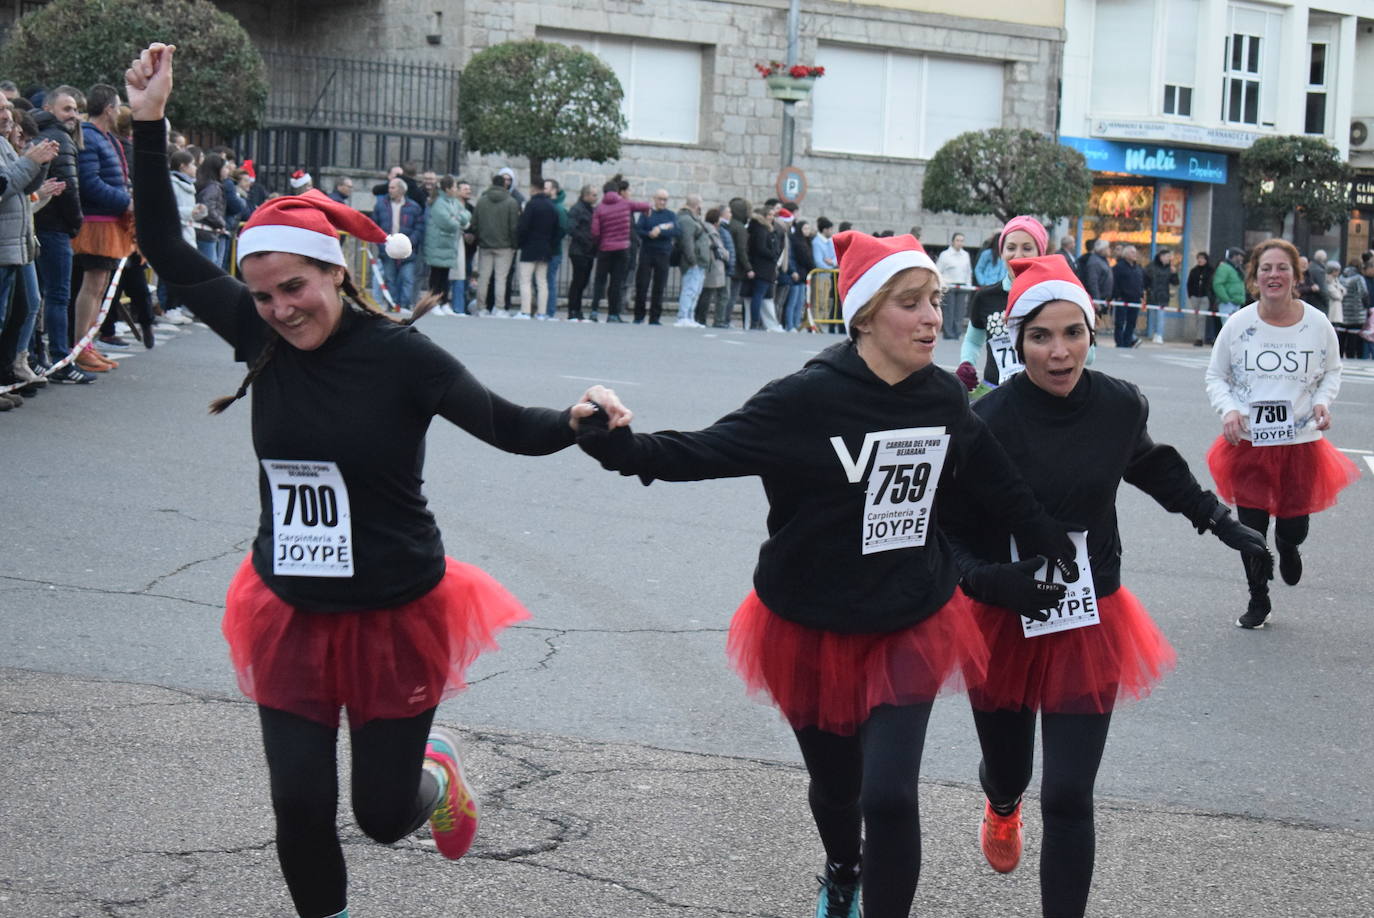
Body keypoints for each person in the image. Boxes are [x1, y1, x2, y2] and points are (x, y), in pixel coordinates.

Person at [125, 42, 632, 918]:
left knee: (383, 816)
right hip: (287, 607)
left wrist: (584, 419)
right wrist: (147, 121)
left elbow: (509, 428)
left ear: (337, 272)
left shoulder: (402, 358)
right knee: (297, 808)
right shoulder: (262, 341)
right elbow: (167, 246)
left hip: (396, 606)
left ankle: (435, 776)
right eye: (262, 296)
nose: (281, 309)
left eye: (294, 288)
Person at [576, 232, 1077, 918]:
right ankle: (844, 869)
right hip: (808, 620)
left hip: (910, 616)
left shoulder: (940, 398)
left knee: (891, 795)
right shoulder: (804, 400)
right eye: (912, 303)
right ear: (866, 315)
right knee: (838, 790)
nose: (933, 317)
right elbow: (702, 451)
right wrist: (618, 445)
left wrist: (1051, 540)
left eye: (935, 300)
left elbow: (996, 477)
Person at [942, 255, 1271, 918]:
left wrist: (1218, 521)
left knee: (1068, 794)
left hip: (1086, 611)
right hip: (1002, 611)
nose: (1059, 352)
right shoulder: (989, 420)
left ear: (1092, 332)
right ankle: (1002, 805)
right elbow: (948, 531)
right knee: (1012, 772)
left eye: (1073, 333)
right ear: (1016, 339)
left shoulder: (1118, 405)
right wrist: (988, 581)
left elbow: (1149, 464)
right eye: (1041, 337)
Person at [1204, 238, 1359, 629]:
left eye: (1282, 268)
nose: (1274, 275)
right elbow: (1216, 376)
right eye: (1266, 268)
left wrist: (1324, 402)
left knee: (1293, 527)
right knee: (1250, 530)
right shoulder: (1239, 325)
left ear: (1296, 275)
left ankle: (1289, 547)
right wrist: (1230, 410)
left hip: (1300, 442)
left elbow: (1332, 371)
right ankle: (1259, 597)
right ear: (1255, 277)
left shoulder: (1317, 324)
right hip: (1250, 443)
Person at [71, 83, 131, 374]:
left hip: (110, 221)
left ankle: (88, 344)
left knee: (101, 287)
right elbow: (90, 183)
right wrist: (126, 203)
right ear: (109, 109)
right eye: (118, 106)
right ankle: (80, 347)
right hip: (97, 223)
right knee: (92, 286)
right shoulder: (92, 138)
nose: (120, 111)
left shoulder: (107, 139)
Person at [959, 216, 1046, 391]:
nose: (1018, 255)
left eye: (1027, 248)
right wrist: (966, 364)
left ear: (1040, 252)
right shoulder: (986, 297)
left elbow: (1086, 355)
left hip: (1041, 395)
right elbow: (973, 341)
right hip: (994, 393)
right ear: (1002, 252)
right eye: (1011, 248)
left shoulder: (1054, 297)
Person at [589, 174, 649, 323]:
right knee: (616, 282)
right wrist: (648, 209)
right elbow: (643, 206)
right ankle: (613, 314)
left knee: (600, 281)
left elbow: (595, 232)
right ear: (617, 191)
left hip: (605, 249)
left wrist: (599, 243)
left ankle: (594, 311)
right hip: (622, 249)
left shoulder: (599, 208)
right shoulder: (626, 204)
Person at [372, 176, 424, 311]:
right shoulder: (381, 205)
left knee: (407, 278)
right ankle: (392, 304)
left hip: (408, 250)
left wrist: (410, 242)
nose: (389, 190)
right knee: (390, 278)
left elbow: (419, 227)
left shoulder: (414, 207)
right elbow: (375, 225)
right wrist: (382, 243)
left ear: (401, 190)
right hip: (388, 248)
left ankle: (405, 305)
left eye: (392, 187)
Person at [471, 172, 519, 316]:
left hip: (485, 245)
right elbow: (513, 227)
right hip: (505, 246)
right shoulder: (511, 202)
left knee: (483, 278)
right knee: (501, 278)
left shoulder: (482, 200)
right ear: (504, 184)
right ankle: (499, 307)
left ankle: (481, 307)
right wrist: (514, 244)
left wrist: (480, 238)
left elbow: (475, 223)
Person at [423, 175, 468, 316]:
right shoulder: (439, 203)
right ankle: (433, 303)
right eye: (454, 187)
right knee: (436, 276)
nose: (456, 190)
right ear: (447, 188)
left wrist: (457, 218)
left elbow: (466, 215)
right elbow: (447, 223)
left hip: (448, 245)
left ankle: (443, 302)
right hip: (438, 244)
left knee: (445, 276)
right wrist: (457, 220)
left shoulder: (454, 202)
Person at [632, 188, 678, 325]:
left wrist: (660, 232)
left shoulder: (671, 215)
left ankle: (655, 317)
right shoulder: (647, 213)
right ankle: (639, 316)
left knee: (659, 286)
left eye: (665, 200)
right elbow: (638, 230)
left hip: (663, 253)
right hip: (647, 252)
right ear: (654, 199)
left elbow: (676, 230)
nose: (662, 202)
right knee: (642, 284)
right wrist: (649, 234)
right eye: (660, 199)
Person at [515, 179, 558, 319]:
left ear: (534, 189)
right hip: (546, 247)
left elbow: (523, 226)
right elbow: (556, 229)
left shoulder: (531, 205)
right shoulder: (551, 206)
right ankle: (542, 312)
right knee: (542, 281)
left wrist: (520, 242)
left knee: (525, 280)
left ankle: (525, 311)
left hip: (530, 247)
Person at [674, 193, 709, 327]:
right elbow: (687, 242)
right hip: (694, 262)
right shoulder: (687, 220)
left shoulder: (693, 219)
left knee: (695, 291)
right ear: (696, 205)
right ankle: (683, 316)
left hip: (700, 261)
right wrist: (692, 260)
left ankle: (690, 316)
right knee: (690, 289)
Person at [565, 183, 598, 322]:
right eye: (594, 195)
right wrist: (586, 240)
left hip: (589, 251)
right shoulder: (577, 209)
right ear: (585, 195)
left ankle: (577, 310)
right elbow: (571, 228)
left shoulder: (591, 210)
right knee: (578, 281)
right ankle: (573, 310)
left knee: (583, 281)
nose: (596, 197)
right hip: (579, 251)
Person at [745, 202, 780, 331]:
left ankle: (757, 321)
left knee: (760, 295)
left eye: (773, 215)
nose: (772, 217)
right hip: (762, 267)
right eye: (770, 214)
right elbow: (760, 248)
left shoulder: (766, 229)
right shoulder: (761, 229)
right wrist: (772, 254)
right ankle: (755, 322)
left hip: (765, 267)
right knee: (758, 295)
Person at [935, 232, 972, 341]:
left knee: (960, 310)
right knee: (949, 310)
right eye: (958, 240)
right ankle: (948, 332)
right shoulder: (945, 255)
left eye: (962, 241)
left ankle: (957, 332)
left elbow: (968, 271)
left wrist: (968, 284)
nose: (960, 243)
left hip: (962, 285)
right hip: (949, 285)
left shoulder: (965, 255)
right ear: (952, 241)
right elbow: (939, 270)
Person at [1143, 247, 1179, 344]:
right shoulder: (1151, 267)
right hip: (1152, 294)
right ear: (1161, 257)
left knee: (1160, 316)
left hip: (1163, 296)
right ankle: (1152, 333)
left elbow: (1175, 282)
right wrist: (1146, 290)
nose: (1168, 259)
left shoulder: (1169, 269)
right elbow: (1145, 280)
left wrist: (1174, 274)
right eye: (1167, 257)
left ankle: (1159, 334)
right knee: (1152, 315)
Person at [1211, 247, 1246, 325]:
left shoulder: (1236, 269)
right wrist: (1226, 299)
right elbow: (1217, 284)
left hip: (1236, 302)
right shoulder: (1224, 268)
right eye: (1240, 256)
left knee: (1234, 328)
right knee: (1228, 327)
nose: (1242, 258)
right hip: (1228, 304)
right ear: (1234, 256)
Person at [1186, 252, 1214, 347]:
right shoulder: (1194, 271)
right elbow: (1189, 283)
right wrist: (1190, 295)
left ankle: (1200, 338)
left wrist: (1209, 294)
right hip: (1195, 296)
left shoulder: (1210, 270)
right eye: (1199, 258)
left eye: (1202, 258)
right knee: (1197, 318)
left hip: (1205, 297)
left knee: (1202, 317)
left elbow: (1212, 283)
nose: (1200, 260)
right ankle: (1199, 336)